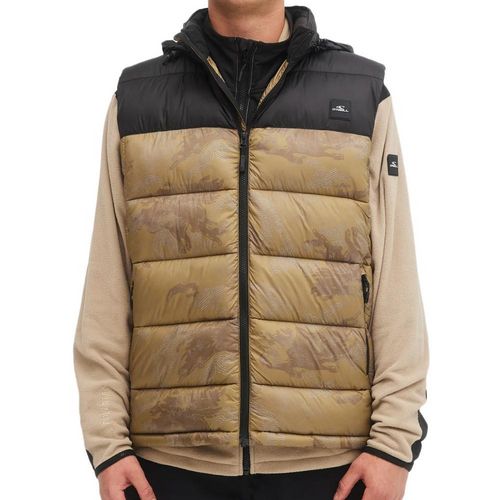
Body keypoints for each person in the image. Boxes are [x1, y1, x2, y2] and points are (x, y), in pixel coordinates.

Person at [73, 2, 430, 499]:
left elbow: (395, 273)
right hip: (167, 468)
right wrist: (108, 446)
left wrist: (393, 445)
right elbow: (108, 281)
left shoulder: (360, 94)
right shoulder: (138, 101)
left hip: (332, 468)